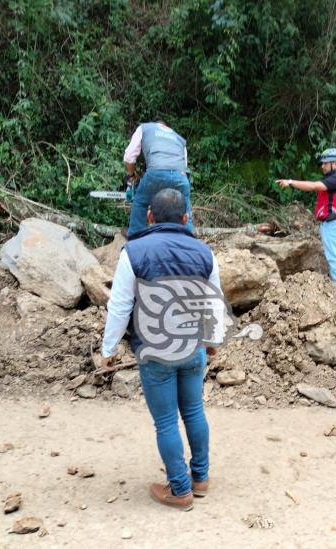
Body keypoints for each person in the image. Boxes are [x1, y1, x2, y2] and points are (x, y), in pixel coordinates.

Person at [99, 188, 220, 511]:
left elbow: (120, 305)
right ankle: (200, 478)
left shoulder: (134, 251)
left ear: (150, 217)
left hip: (155, 351)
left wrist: (108, 348)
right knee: (194, 411)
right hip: (193, 346)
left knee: (166, 421)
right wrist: (212, 341)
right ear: (186, 219)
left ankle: (179, 490)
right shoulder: (204, 252)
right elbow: (213, 300)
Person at [277, 147, 336, 286]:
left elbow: (314, 186)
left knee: (334, 255)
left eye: (325, 163)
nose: (322, 166)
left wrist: (291, 182)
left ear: (335, 163)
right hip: (334, 221)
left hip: (333, 223)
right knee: (335, 253)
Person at [123, 120, 194, 236]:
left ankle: (135, 237)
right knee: (184, 207)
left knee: (140, 202)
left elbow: (129, 157)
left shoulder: (144, 128)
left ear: (156, 125)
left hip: (156, 172)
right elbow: (183, 167)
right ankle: (188, 238)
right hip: (180, 176)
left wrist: (131, 176)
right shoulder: (178, 138)